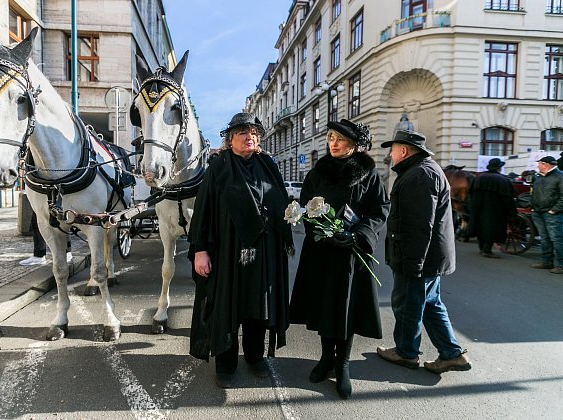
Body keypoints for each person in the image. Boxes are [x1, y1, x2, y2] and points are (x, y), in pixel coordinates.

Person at [188, 112, 294, 389]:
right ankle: (226, 362)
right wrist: (200, 250)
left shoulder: (268, 165)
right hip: (227, 250)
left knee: (258, 305)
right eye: (242, 133)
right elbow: (203, 211)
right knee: (228, 304)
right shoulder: (219, 167)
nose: (250, 137)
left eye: (254, 133)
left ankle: (255, 357)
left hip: (264, 251)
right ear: (230, 139)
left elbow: (280, 200)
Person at [290, 120, 390, 399]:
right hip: (322, 251)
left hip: (351, 255)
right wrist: (321, 230)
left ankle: (342, 364)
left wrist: (359, 235)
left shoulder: (369, 175)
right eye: (331, 137)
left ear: (355, 145)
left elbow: (379, 209)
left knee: (345, 309)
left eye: (340, 139)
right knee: (324, 306)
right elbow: (307, 206)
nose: (333, 143)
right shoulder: (317, 173)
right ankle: (325, 359)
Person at [377, 130, 472, 374]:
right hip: (428, 257)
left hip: (419, 258)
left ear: (405, 151)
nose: (391, 154)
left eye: (393, 149)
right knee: (430, 304)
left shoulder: (419, 174)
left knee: (408, 305)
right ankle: (452, 354)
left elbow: (420, 225)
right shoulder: (423, 170)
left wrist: (413, 263)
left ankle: (405, 352)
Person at [467, 157, 517, 258]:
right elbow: (507, 198)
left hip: (478, 208)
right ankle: (487, 250)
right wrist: (512, 213)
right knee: (491, 229)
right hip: (495, 210)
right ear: (499, 168)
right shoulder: (503, 180)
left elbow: (470, 193)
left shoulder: (478, 177)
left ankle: (482, 248)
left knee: (480, 227)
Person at [529, 156, 563, 274]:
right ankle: (547, 262)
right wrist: (533, 207)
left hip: (552, 213)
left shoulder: (560, 176)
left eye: (539, 164)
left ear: (545, 165)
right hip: (539, 212)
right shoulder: (538, 177)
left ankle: (561, 265)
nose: (537, 166)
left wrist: (554, 210)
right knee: (545, 238)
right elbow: (533, 193)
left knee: (556, 239)